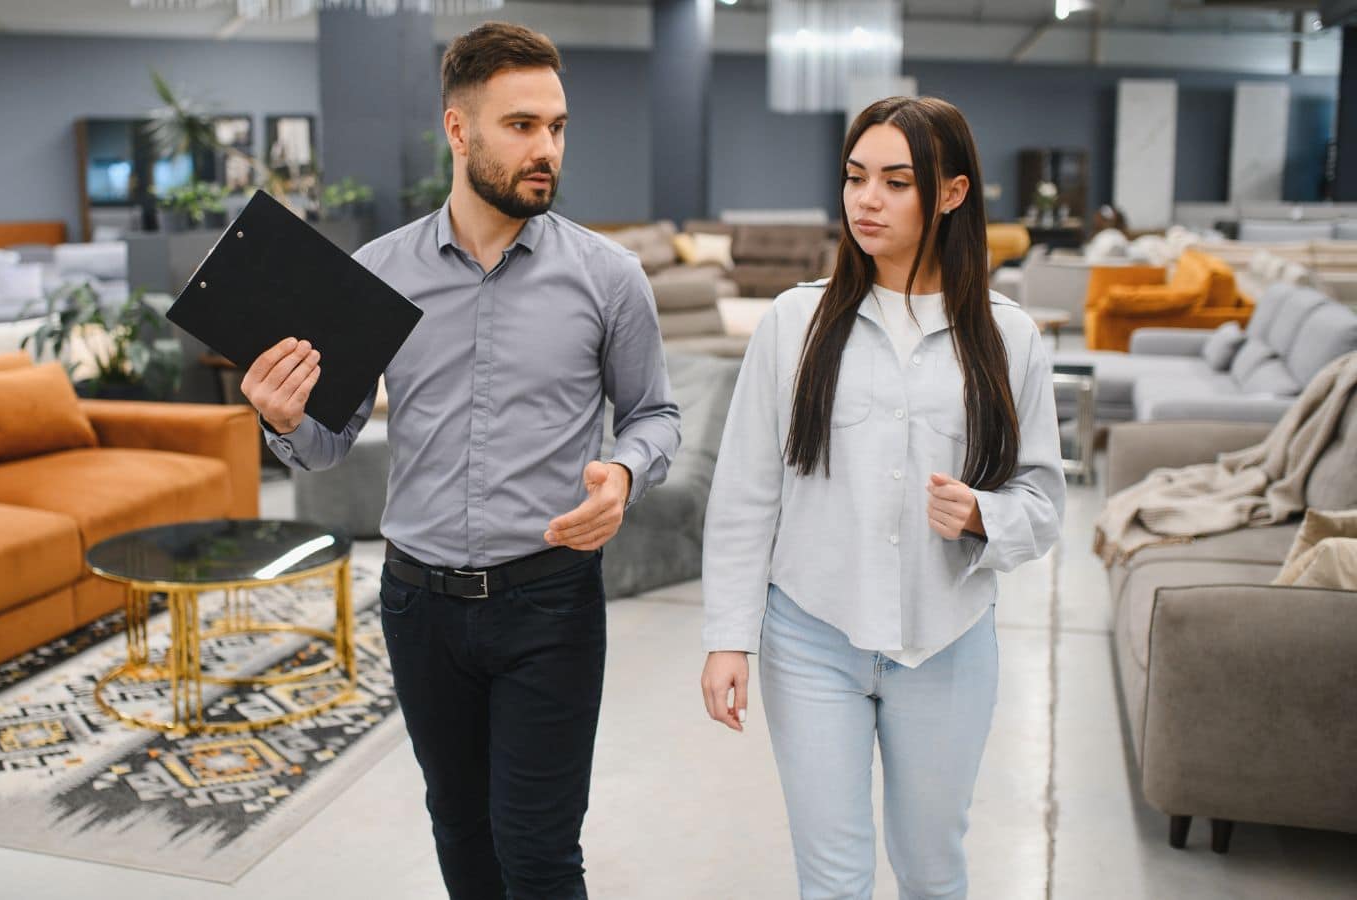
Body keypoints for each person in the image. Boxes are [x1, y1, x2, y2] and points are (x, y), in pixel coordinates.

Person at [241, 22, 680, 900]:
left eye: (556, 126)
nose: (546, 148)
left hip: (548, 600)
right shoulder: (375, 274)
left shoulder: (609, 276)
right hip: (419, 606)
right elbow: (326, 445)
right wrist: (282, 420)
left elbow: (655, 415)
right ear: (458, 129)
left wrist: (625, 472)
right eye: (521, 126)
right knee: (461, 832)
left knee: (539, 850)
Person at [699, 96, 1065, 900]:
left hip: (947, 642)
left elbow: (1042, 499)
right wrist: (729, 635)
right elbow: (746, 493)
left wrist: (982, 514)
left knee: (934, 870)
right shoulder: (794, 323)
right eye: (855, 177)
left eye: (896, 182)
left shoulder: (1010, 340)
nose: (867, 199)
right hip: (810, 637)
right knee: (831, 877)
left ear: (952, 193)